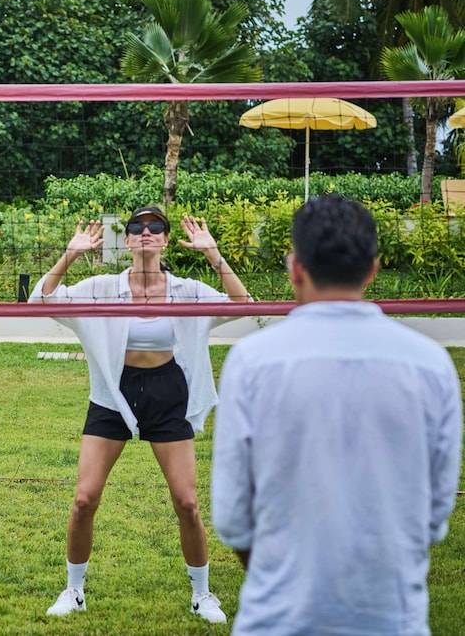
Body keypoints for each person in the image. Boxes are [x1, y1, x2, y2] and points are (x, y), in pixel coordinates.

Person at [212, 195, 462, 635]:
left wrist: (286, 577)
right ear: (373, 269)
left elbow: (234, 517)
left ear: (295, 268)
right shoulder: (429, 364)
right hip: (391, 618)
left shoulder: (252, 362)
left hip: (276, 618)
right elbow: (435, 512)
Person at [30, 207, 249, 622]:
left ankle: (202, 594)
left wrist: (213, 254)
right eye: (137, 228)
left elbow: (243, 304)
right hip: (114, 393)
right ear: (127, 240)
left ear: (165, 240)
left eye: (155, 228)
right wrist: (70, 254)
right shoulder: (101, 288)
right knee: (84, 499)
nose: (146, 233)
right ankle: (74, 589)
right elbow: (40, 301)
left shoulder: (187, 290)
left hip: (169, 395)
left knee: (187, 502)